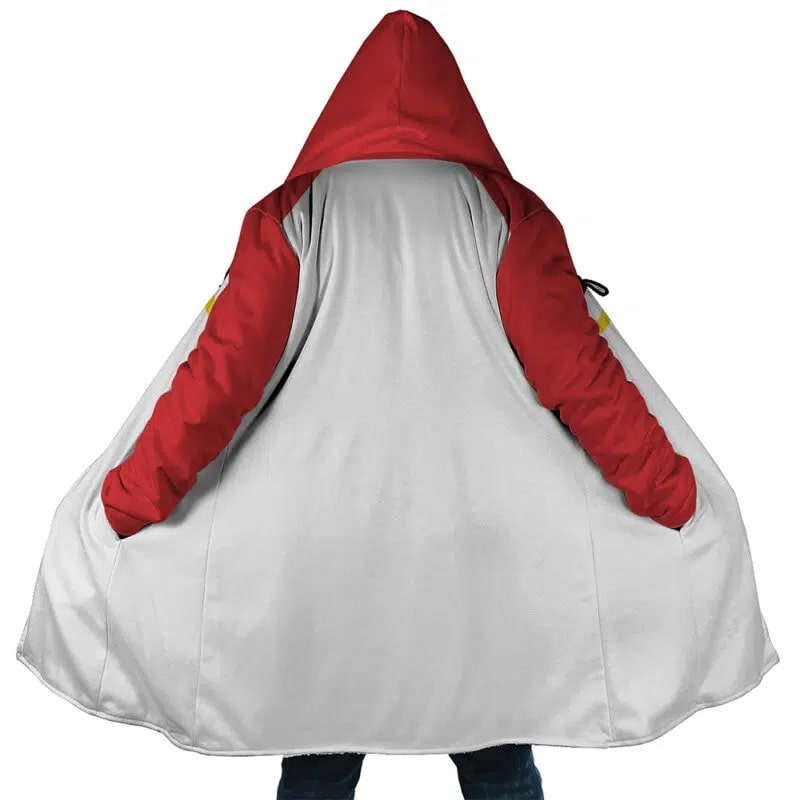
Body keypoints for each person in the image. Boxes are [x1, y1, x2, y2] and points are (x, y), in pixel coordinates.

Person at [18, 9, 779, 800]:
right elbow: (583, 382)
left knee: (317, 754)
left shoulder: (295, 217)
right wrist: (671, 493)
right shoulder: (507, 216)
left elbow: (219, 384)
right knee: (496, 755)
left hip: (324, 548)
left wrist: (130, 499)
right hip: (477, 548)